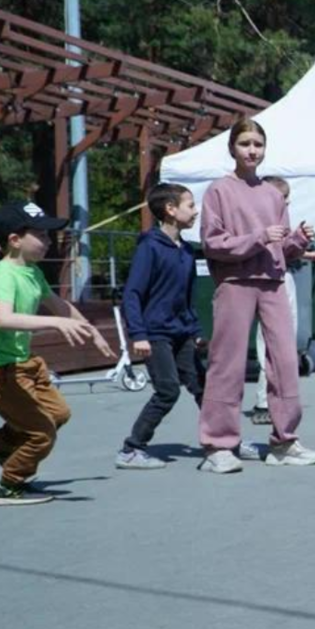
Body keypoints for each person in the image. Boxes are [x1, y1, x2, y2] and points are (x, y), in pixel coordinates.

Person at [0, 202, 113, 505]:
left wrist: (90, 329)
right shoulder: (3, 274)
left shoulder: (32, 273)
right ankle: (7, 486)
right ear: (15, 240)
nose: (48, 241)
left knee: (58, 414)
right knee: (41, 433)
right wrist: (56, 324)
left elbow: (61, 307)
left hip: (19, 362)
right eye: (41, 235)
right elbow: (4, 319)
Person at [199, 121, 315, 473]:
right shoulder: (218, 191)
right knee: (228, 364)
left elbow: (280, 247)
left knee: (284, 362)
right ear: (232, 148)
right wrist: (257, 236)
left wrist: (297, 239)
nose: (252, 150)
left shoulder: (271, 194)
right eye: (244, 143)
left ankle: (284, 441)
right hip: (235, 282)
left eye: (258, 144)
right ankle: (218, 445)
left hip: (272, 282)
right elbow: (212, 243)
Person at [116, 184, 205, 468]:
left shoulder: (188, 251)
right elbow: (132, 293)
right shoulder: (149, 247)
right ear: (170, 209)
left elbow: (186, 297)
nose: (196, 210)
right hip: (155, 334)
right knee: (168, 390)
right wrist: (138, 334)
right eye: (190, 205)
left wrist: (196, 330)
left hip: (182, 332)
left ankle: (223, 440)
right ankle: (131, 449)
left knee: (204, 386)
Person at [246, 176, 315, 426]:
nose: (288, 201)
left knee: (283, 342)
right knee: (268, 344)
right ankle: (263, 400)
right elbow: (269, 251)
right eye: (284, 197)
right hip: (269, 285)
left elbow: (285, 251)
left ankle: (278, 398)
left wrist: (303, 244)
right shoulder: (259, 223)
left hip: (283, 280)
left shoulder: (281, 221)